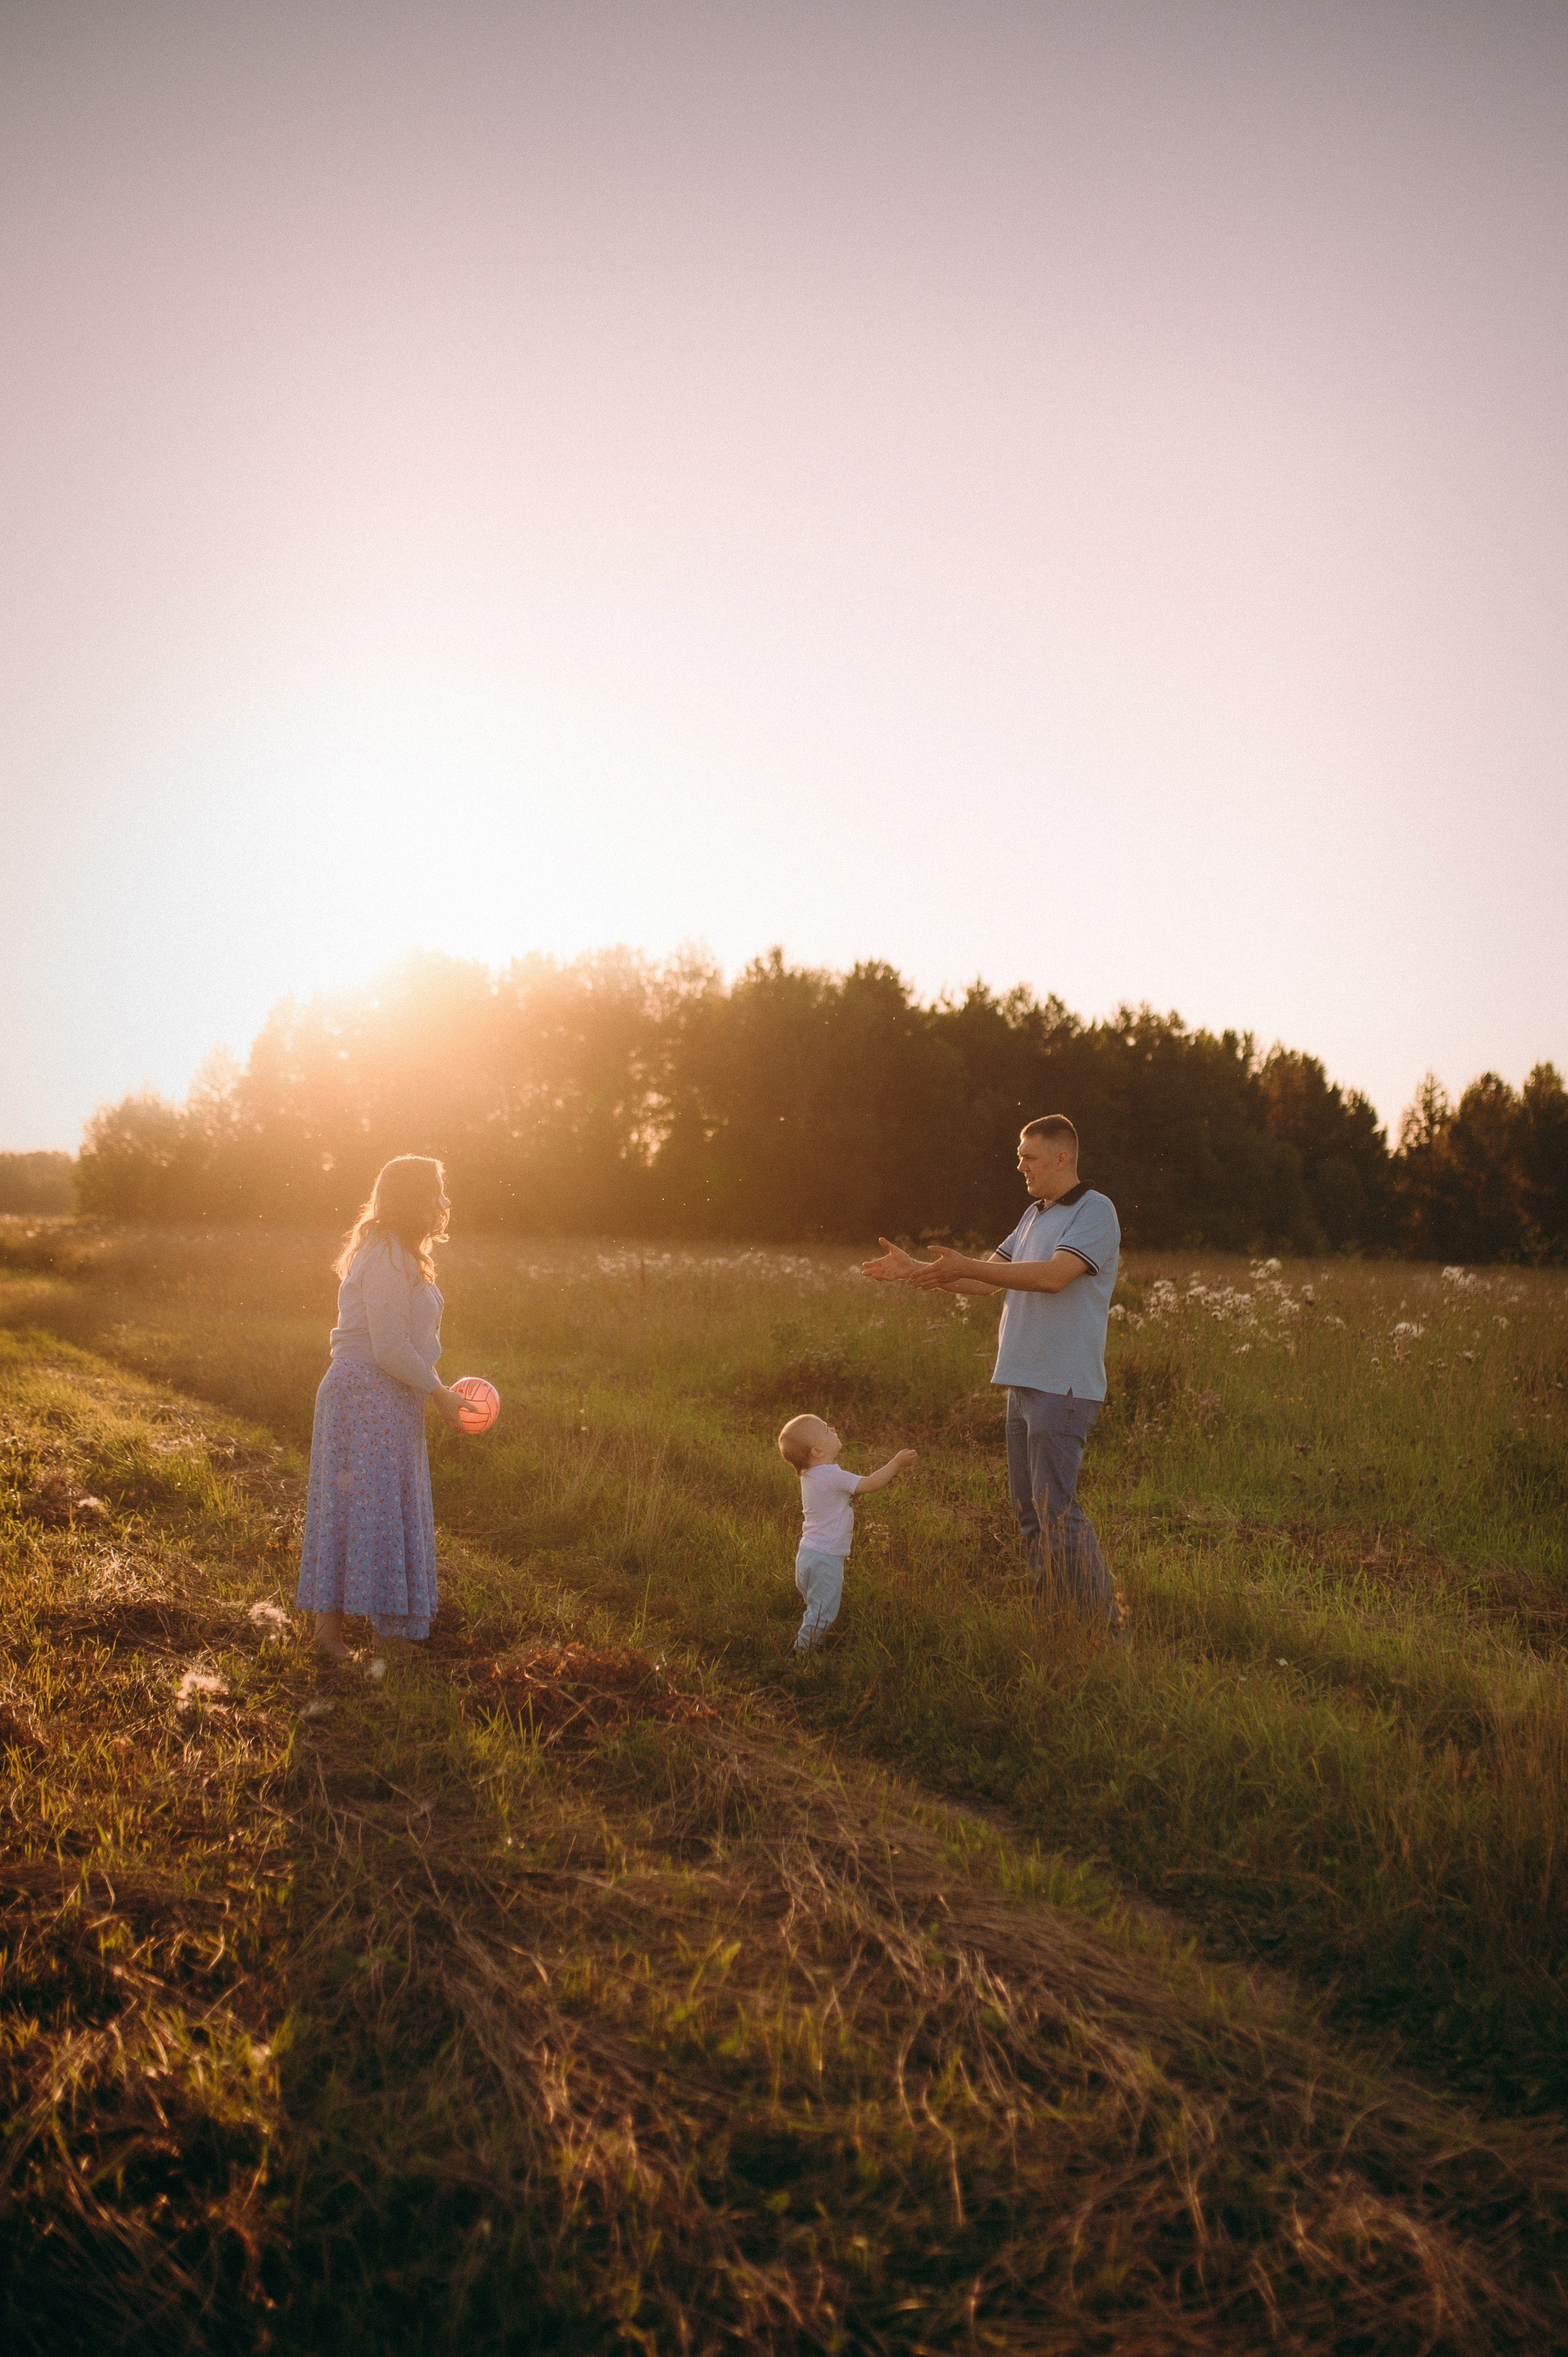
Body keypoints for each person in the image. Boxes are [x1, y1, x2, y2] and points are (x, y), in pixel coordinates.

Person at [861, 1115, 1120, 1628]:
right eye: (1020, 1155)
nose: (1018, 1163)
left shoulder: (1096, 1210)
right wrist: (917, 1271)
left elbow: (1052, 1277)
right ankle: (1058, 1618)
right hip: (1023, 1384)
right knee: (1030, 1513)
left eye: (1029, 1156)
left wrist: (968, 1266)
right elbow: (984, 1283)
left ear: (1062, 1158)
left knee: (1057, 1512)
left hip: (1062, 1386)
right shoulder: (1032, 1215)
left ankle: (1102, 1628)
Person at [295, 1154, 473, 1659]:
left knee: (367, 1508)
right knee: (364, 1509)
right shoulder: (388, 1256)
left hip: (386, 1394)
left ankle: (369, 1636)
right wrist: (438, 1393)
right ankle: (354, 1640)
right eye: (436, 1191)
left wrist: (432, 1384)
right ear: (414, 1198)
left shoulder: (396, 1253)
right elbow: (390, 1346)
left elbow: (406, 1345)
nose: (444, 1202)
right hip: (366, 1394)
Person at [776, 1414, 917, 1652]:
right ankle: (800, 1656)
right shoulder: (833, 1477)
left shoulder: (810, 1476)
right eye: (825, 1429)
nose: (832, 1428)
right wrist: (896, 1463)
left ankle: (814, 1641)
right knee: (824, 1612)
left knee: (817, 1606)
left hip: (808, 1553)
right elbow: (871, 1484)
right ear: (817, 1451)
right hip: (826, 1558)